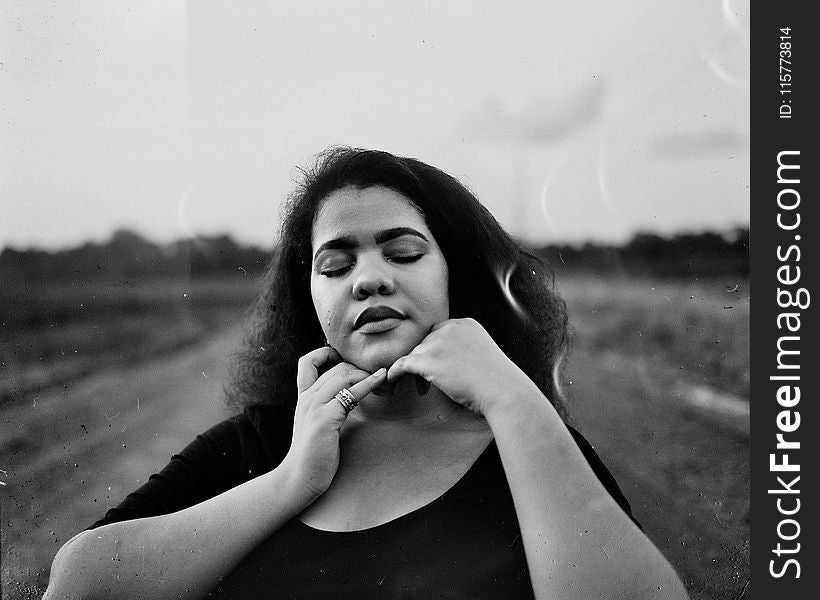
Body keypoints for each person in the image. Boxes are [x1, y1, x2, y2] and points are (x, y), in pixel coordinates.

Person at [43, 147, 688, 599]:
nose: (369, 277)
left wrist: (513, 400)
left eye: (403, 251)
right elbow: (77, 586)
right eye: (335, 264)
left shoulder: (532, 448)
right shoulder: (260, 445)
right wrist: (292, 481)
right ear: (311, 300)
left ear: (453, 276)